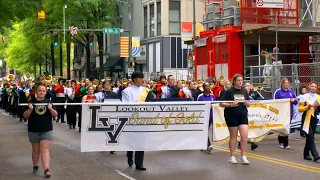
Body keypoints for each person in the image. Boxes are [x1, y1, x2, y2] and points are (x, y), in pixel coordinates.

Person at [23, 82, 58, 178]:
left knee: (45, 149)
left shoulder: (49, 102)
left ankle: (46, 169)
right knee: (36, 149)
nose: (42, 92)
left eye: (44, 91)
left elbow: (55, 115)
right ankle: (35, 166)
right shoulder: (30, 102)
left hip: (46, 129)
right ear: (36, 92)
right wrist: (30, 109)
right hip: (33, 129)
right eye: (40, 90)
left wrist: (51, 109)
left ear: (46, 92)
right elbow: (25, 116)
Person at [121, 71, 154, 171]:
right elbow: (125, 105)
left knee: (141, 141)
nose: (142, 79)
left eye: (142, 78)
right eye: (140, 78)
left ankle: (139, 163)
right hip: (131, 119)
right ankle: (129, 155)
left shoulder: (146, 90)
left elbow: (151, 103)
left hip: (143, 119)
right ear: (135, 79)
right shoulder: (127, 91)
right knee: (132, 141)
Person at [219, 74, 251, 164]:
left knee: (244, 136)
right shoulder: (229, 92)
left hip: (243, 114)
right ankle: (232, 156)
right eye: (238, 80)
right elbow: (221, 103)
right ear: (234, 81)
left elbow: (248, 103)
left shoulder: (244, 91)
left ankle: (243, 156)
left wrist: (247, 104)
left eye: (241, 80)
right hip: (231, 115)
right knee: (234, 137)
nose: (240, 82)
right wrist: (231, 105)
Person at [298, 82, 320, 162]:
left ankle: (306, 153)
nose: (313, 88)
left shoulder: (318, 97)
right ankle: (315, 155)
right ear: (309, 87)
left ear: (316, 88)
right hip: (306, 117)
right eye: (312, 86)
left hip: (314, 118)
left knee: (310, 137)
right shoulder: (304, 97)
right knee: (310, 135)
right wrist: (307, 106)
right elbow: (300, 109)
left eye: (315, 86)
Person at [273, 78, 298, 149]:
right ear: (282, 84)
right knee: (281, 127)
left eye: (287, 83)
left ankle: (286, 143)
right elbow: (274, 102)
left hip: (289, 113)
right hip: (280, 112)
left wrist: (293, 100)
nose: (286, 85)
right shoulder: (278, 92)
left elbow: (296, 102)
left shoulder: (291, 92)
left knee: (287, 127)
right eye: (285, 83)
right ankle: (280, 141)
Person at [197, 82, 216, 153]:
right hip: (203, 116)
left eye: (209, 86)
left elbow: (215, 105)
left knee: (206, 130)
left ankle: (203, 145)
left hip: (211, 116)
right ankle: (208, 145)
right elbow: (198, 106)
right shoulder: (200, 96)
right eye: (206, 86)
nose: (208, 88)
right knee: (205, 130)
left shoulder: (212, 96)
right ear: (203, 88)